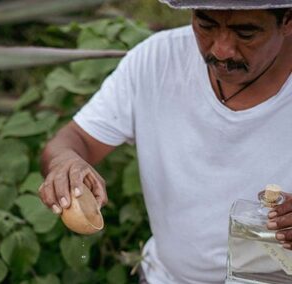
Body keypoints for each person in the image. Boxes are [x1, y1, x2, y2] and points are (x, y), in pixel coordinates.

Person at [39, 0, 292, 283]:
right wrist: (64, 162)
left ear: (288, 21)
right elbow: (75, 139)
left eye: (246, 33)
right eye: (205, 25)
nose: (221, 49)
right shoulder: (156, 60)